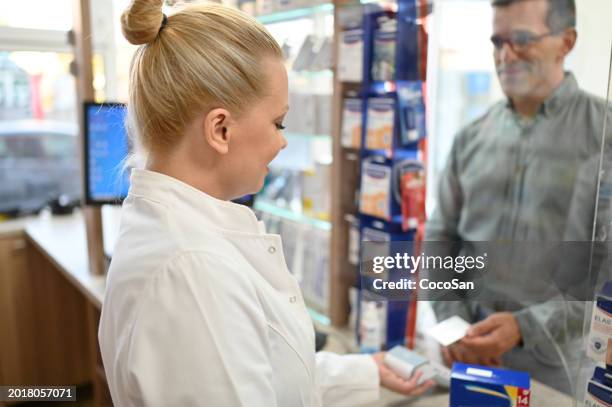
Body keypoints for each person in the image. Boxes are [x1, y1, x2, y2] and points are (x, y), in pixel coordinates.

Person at [98, 1, 434, 406]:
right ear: (220, 129)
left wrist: (364, 372)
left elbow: (262, 368)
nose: (282, 141)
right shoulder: (193, 269)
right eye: (278, 122)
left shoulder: (183, 240)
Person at [425, 0, 612, 393]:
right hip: (467, 355)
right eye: (497, 41)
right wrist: (452, 325)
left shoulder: (605, 136)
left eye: (522, 40)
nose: (505, 55)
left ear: (566, 41)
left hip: (556, 370)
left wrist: (522, 328)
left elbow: (605, 275)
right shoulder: (470, 139)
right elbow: (440, 239)